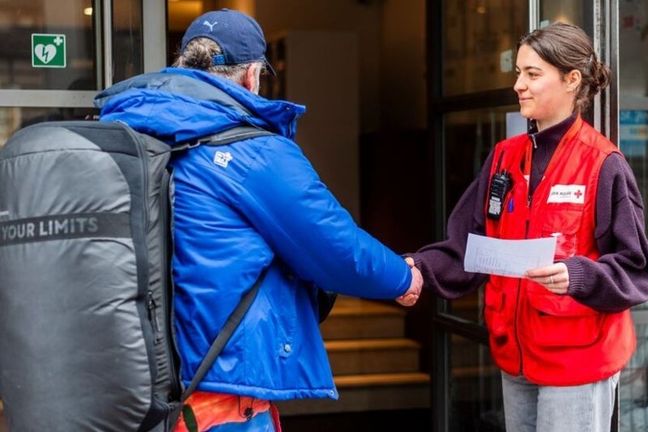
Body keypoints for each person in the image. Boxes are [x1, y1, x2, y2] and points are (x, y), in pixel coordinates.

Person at [95, 9, 421, 432]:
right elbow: (332, 244)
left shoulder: (131, 129)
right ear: (252, 75)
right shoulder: (253, 151)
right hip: (221, 389)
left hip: (142, 380)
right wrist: (401, 277)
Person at [406, 22, 648, 432]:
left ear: (571, 80)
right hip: (516, 357)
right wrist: (417, 269)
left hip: (577, 362)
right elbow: (466, 246)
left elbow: (637, 270)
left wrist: (577, 275)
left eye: (532, 74)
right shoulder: (505, 157)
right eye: (518, 72)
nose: (518, 85)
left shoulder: (603, 163)